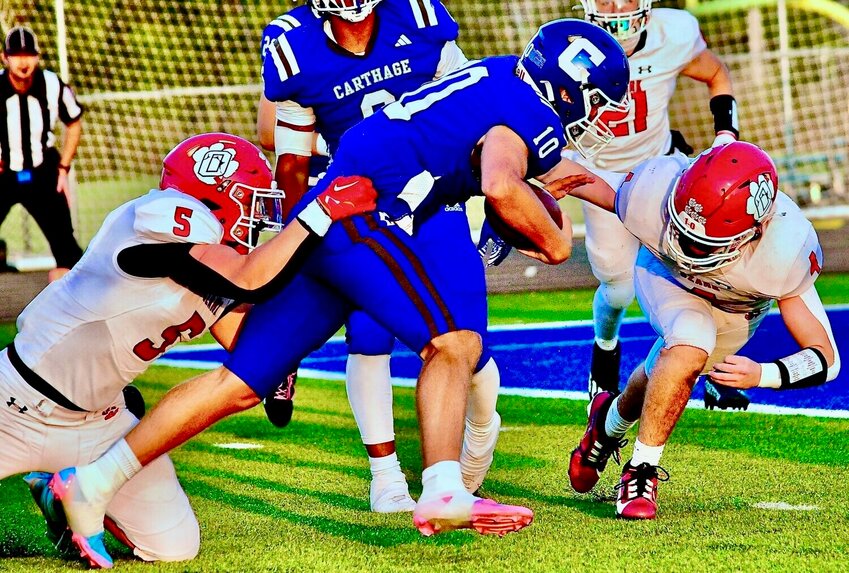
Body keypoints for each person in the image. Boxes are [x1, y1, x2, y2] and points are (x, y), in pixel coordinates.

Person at [47, 19, 631, 564]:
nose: (600, 116)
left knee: (241, 384)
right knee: (454, 344)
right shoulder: (529, 111)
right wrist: (556, 242)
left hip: (335, 206)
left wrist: (632, 205)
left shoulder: (505, 76)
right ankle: (444, 489)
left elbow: (550, 173)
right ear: (572, 88)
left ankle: (91, 483)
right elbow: (502, 181)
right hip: (365, 213)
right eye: (600, 101)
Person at [1, 132, 377, 568]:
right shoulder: (159, 217)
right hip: (17, 403)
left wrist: (281, 360)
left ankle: (58, 494)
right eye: (251, 202)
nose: (260, 218)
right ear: (211, 195)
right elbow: (249, 278)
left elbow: (245, 334)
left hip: (99, 423)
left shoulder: (213, 258)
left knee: (174, 546)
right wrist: (320, 211)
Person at [255, 0, 504, 511]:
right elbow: (292, 162)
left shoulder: (418, 16)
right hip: (359, 208)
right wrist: (295, 238)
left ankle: (479, 435)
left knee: (468, 344)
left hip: (436, 199)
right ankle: (385, 476)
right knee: (368, 336)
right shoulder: (294, 42)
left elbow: (473, 107)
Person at [565, 141, 841, 519]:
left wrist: (764, 374)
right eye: (683, 230)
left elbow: (827, 359)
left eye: (702, 243)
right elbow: (576, 178)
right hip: (666, 278)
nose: (688, 248)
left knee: (664, 374)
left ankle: (607, 421)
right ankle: (641, 470)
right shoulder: (655, 191)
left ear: (757, 230)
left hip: (736, 310)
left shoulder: (786, 249)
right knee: (691, 340)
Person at [571, 1, 744, 410]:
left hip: (663, 168)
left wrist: (726, 134)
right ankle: (605, 347)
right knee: (618, 285)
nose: (615, 5)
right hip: (599, 176)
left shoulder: (673, 32)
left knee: (706, 271)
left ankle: (715, 370)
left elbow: (715, 72)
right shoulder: (565, 42)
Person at [0, 26, 84, 283]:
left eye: (29, 54)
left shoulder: (51, 83)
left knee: (66, 248)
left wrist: (64, 168)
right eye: (16, 55)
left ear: (37, 57)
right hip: (3, 173)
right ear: (5, 58)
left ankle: (73, 311)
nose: (23, 61)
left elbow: (74, 122)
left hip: (42, 173)